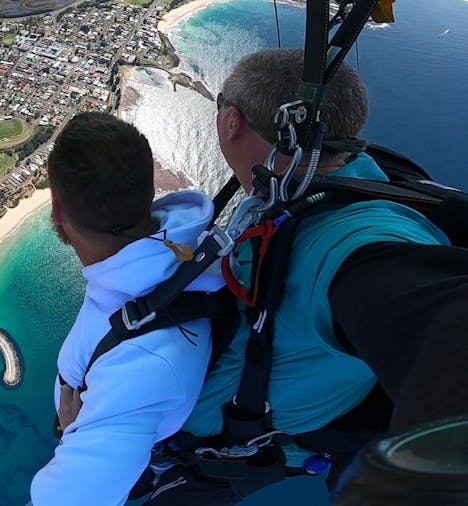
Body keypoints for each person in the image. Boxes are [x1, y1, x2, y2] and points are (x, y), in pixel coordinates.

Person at [156, 48, 468, 501]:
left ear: (230, 122)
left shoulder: (349, 247)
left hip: (233, 447)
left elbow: (447, 326)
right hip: (283, 429)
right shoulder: (320, 189)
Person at [28, 111, 227, 505]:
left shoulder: (139, 366)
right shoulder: (187, 252)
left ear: (57, 214)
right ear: (147, 193)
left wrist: (74, 433)